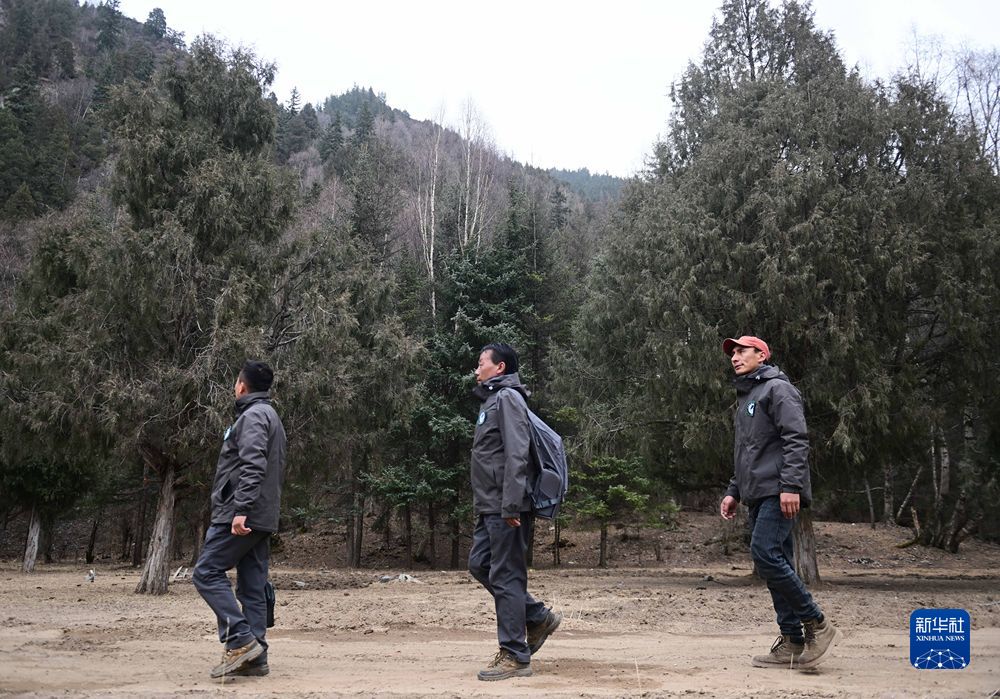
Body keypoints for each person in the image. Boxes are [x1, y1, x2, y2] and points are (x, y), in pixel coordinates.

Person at [719, 336, 841, 670]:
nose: (735, 357)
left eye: (742, 351)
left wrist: (791, 486)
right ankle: (791, 640)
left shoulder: (778, 389)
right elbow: (747, 451)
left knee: (765, 553)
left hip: (779, 491)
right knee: (775, 560)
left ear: (762, 355)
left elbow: (796, 439)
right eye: (732, 353)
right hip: (758, 492)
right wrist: (733, 490)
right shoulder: (747, 397)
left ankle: (818, 624)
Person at [468, 342, 562, 681]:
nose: (476, 369)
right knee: (480, 564)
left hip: (506, 505)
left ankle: (515, 655)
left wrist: (511, 503)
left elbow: (517, 452)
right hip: (490, 505)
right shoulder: (492, 401)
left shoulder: (508, 398)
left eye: (481, 363)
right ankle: (536, 617)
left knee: (507, 576)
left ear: (500, 368)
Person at [193, 360, 286, 679]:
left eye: (235, 381)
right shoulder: (270, 415)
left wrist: (240, 509)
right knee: (252, 587)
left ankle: (241, 641)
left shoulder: (254, 416)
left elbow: (253, 464)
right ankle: (256, 657)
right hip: (262, 515)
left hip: (241, 514)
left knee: (206, 572)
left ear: (242, 386)